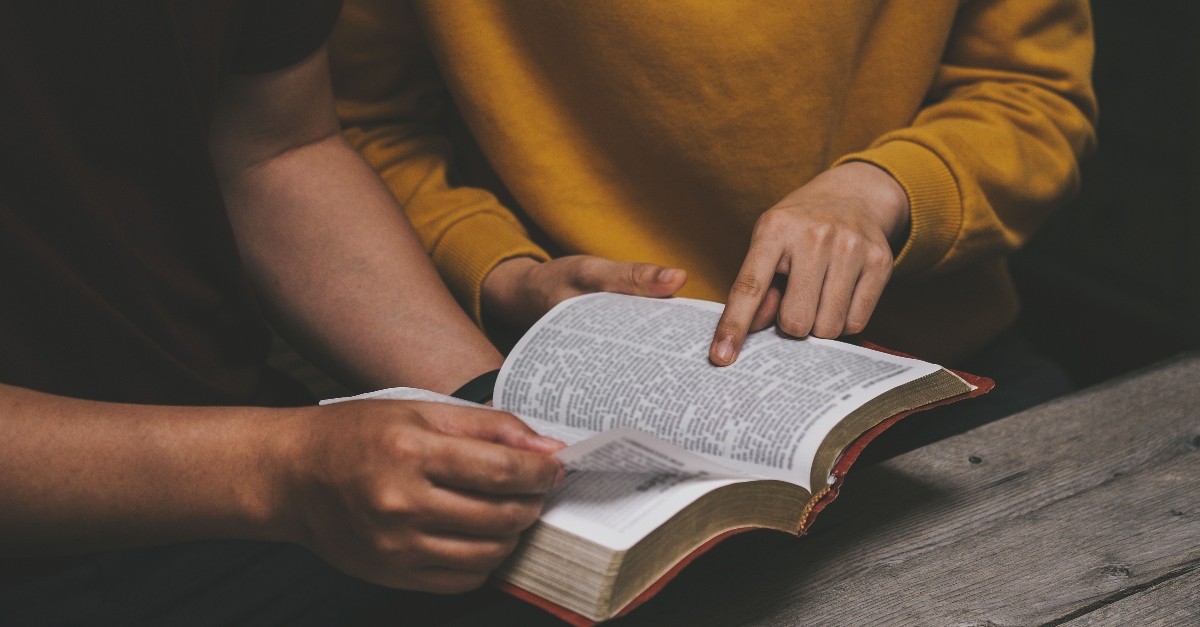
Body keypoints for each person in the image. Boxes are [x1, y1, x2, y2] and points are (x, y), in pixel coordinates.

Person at [0, 2, 564, 623]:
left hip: (246, 473)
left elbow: (272, 150)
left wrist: (488, 404)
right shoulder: (281, 472)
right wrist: (279, 470)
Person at [328, 0, 1098, 452]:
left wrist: (880, 190)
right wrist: (502, 272)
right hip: (576, 400)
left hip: (924, 369)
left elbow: (1031, 95)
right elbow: (347, 128)